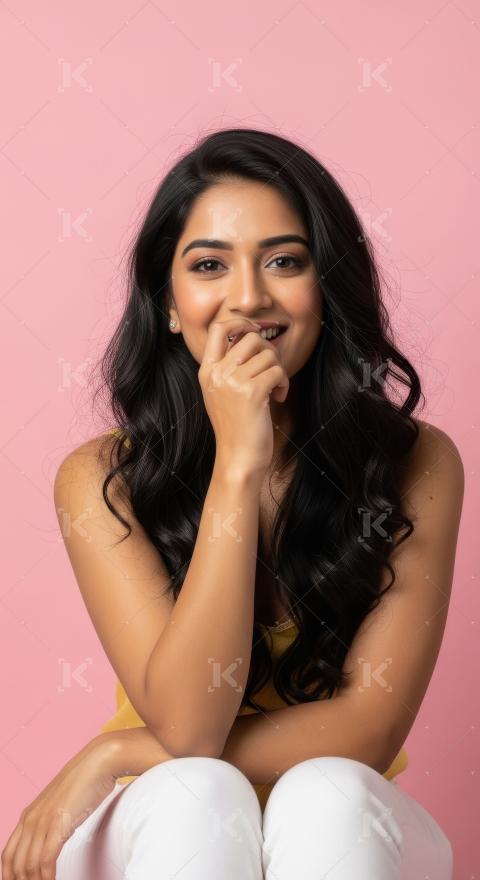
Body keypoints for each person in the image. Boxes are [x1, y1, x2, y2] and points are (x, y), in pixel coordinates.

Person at [1, 128, 463, 879]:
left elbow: (369, 731)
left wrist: (117, 746)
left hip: (343, 825)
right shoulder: (100, 479)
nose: (248, 297)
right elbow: (189, 729)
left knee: (330, 792)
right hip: (160, 820)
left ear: (328, 288)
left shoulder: (415, 462)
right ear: (171, 304)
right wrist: (237, 465)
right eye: (209, 265)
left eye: (285, 261)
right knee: (197, 790)